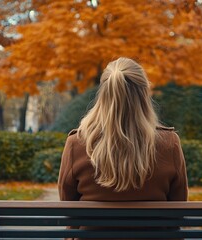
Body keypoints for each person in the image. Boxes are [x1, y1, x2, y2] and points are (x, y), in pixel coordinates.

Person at [58, 57, 188, 237]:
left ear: (103, 94)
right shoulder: (169, 143)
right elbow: (178, 209)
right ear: (144, 95)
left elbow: (68, 206)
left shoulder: (77, 143)